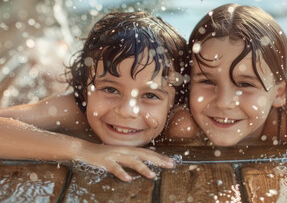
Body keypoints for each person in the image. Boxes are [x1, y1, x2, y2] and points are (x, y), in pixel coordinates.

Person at [0, 11, 187, 181]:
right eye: (111, 90)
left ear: (174, 104)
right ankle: (45, 59)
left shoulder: (179, 125)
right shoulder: (73, 110)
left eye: (150, 95)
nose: (127, 111)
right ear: (83, 89)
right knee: (50, 79)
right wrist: (84, 150)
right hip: (64, 89)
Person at [166, 4, 287, 146]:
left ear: (279, 93)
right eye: (208, 81)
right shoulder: (182, 126)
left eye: (245, 84)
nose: (224, 102)